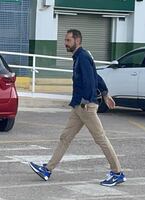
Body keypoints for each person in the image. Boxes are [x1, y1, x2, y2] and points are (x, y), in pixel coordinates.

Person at [29, 29, 126, 187]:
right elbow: (96, 76)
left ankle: (117, 173)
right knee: (65, 138)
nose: (65, 43)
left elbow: (90, 80)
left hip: (85, 106)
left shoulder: (83, 57)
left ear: (77, 41)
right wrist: (106, 93)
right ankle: (47, 169)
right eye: (65, 40)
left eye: (68, 40)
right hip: (78, 107)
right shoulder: (81, 56)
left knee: (100, 138)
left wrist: (87, 102)